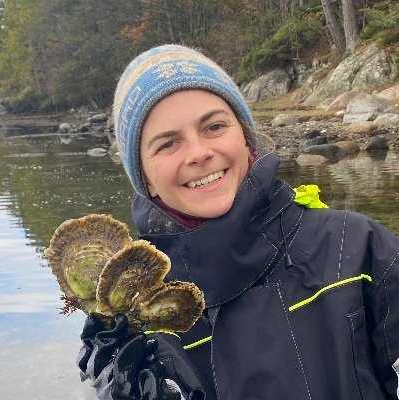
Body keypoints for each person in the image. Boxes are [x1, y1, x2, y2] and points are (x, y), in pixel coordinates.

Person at [77, 44, 399, 400]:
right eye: (168, 144)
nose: (199, 153)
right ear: (145, 177)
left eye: (214, 126)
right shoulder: (139, 318)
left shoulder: (357, 249)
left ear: (245, 138)